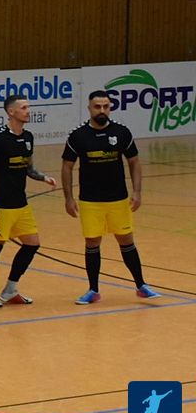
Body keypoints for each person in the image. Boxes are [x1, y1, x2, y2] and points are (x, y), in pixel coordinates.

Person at [61, 90, 161, 304]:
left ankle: (141, 285)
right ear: (89, 108)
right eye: (97, 107)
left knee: (126, 240)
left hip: (118, 199)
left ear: (110, 107)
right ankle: (93, 290)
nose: (102, 110)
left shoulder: (121, 132)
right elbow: (67, 166)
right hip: (90, 200)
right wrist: (68, 198)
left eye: (106, 106)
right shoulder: (78, 135)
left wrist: (137, 192)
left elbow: (134, 161)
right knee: (92, 242)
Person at [0, 95, 57, 307]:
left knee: (32, 244)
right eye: (24, 107)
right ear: (11, 112)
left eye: (28, 107)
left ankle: (10, 289)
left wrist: (43, 177)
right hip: (0, 203)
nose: (28, 111)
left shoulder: (28, 137)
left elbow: (28, 167)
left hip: (21, 202)